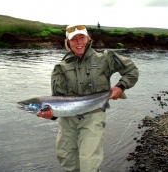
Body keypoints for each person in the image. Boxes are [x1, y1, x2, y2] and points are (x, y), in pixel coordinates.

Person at [38, 25, 139, 172]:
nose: (78, 42)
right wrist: (51, 115)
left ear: (88, 39)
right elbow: (57, 99)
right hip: (68, 118)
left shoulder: (105, 58)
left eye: (82, 37)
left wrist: (120, 87)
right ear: (68, 42)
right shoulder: (60, 67)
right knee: (67, 158)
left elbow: (132, 70)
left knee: (88, 161)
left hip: (94, 114)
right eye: (74, 39)